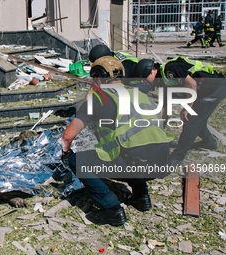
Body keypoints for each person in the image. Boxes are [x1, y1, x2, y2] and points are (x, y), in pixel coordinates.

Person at [61, 56, 173, 226]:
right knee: (133, 149)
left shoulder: (98, 98)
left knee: (77, 161)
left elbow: (67, 137)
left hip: (136, 162)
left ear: (98, 77)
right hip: (162, 160)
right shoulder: (140, 94)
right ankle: (141, 197)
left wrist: (65, 153)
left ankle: (112, 210)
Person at [133, 57, 226, 166]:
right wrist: (160, 134)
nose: (144, 83)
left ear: (152, 71)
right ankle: (209, 142)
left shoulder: (170, 69)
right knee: (197, 118)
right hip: (203, 90)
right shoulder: (163, 83)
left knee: (191, 120)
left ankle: (176, 158)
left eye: (144, 79)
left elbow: (191, 83)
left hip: (215, 87)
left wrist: (187, 108)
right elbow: (165, 110)